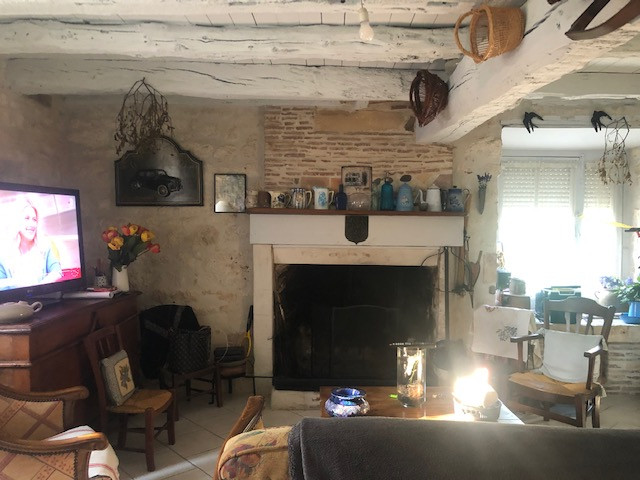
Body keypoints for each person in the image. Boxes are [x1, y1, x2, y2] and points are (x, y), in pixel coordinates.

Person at [0, 199, 62, 290]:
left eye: (34, 219)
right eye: (27, 218)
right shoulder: (4, 254)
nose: (32, 224)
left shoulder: (45, 246)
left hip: (44, 296)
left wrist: (40, 287)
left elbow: (56, 271)